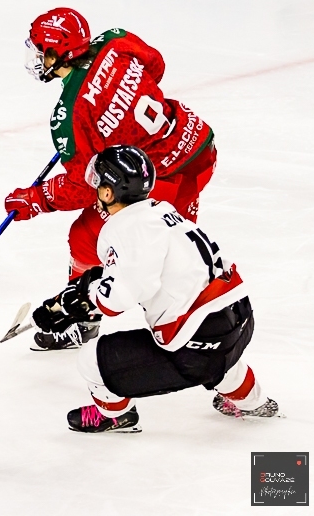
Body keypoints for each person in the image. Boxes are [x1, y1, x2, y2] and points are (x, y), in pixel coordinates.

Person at [5, 8, 217, 350]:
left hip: (162, 183)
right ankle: (213, 323)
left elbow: (82, 187)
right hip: (197, 149)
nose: (36, 56)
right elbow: (156, 66)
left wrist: (36, 198)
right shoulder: (116, 41)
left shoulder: (70, 115)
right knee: (175, 248)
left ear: (57, 53)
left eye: (40, 48)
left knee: (87, 239)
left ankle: (84, 320)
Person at [30, 145, 278, 433]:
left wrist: (88, 294)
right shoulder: (162, 210)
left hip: (198, 345)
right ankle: (253, 401)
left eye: (98, 183)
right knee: (223, 360)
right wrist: (95, 284)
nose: (94, 189)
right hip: (239, 320)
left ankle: (116, 416)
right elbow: (149, 270)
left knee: (91, 360)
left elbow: (118, 299)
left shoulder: (124, 228)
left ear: (109, 193)